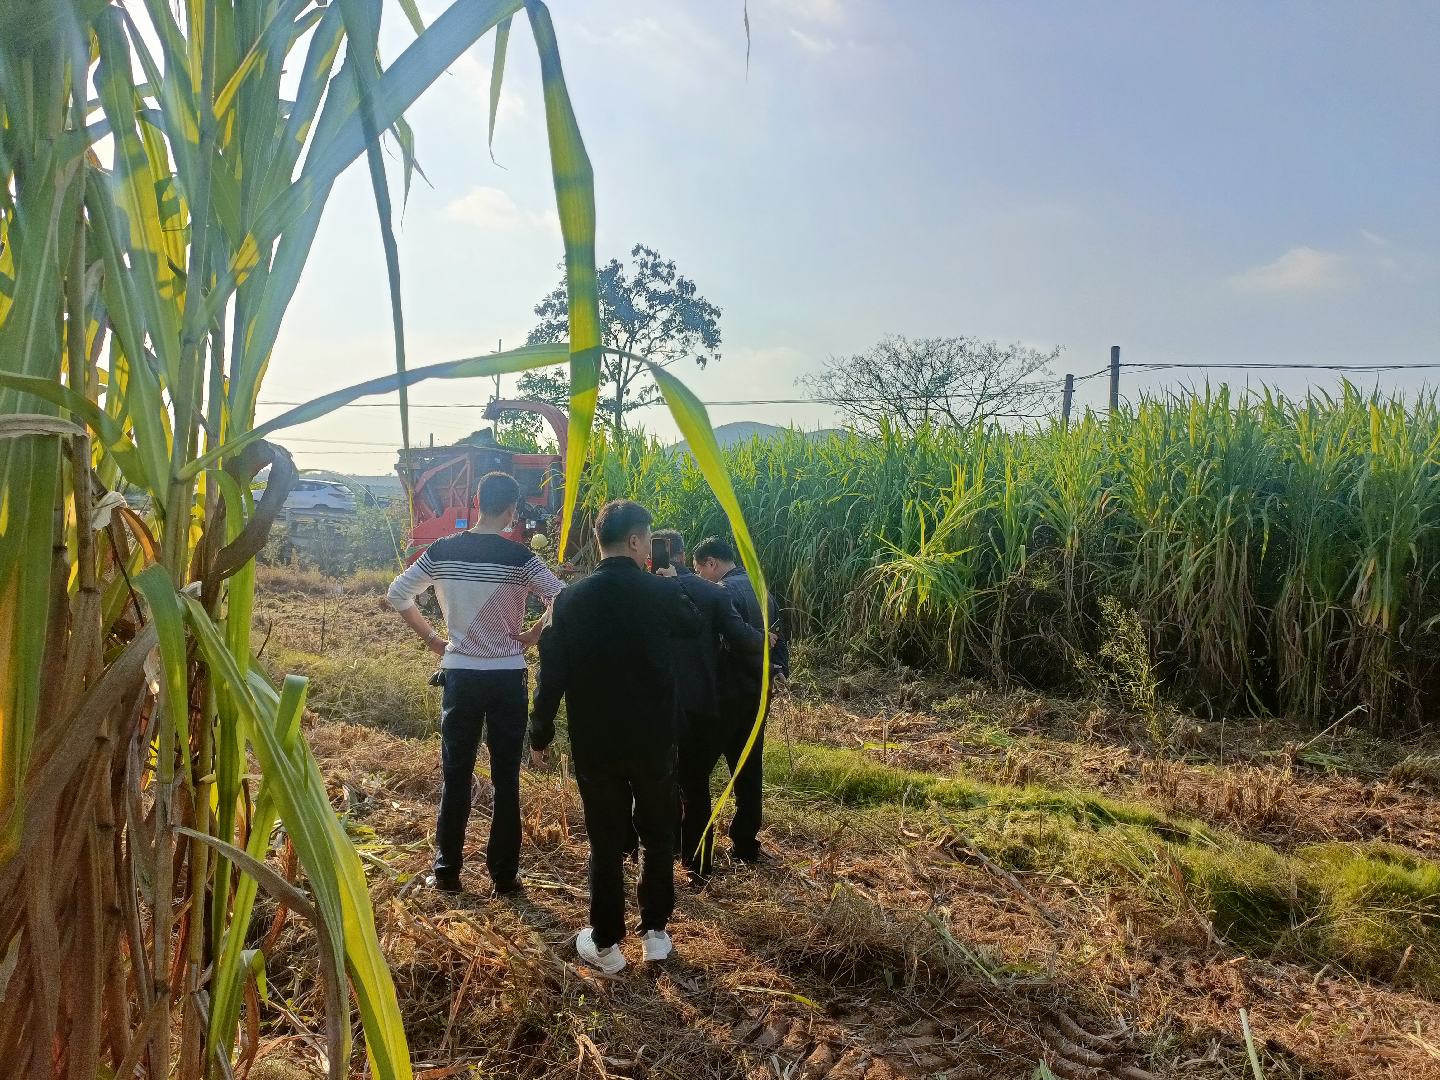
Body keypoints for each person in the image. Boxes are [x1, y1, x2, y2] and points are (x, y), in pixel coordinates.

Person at [530, 501, 702, 973]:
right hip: (653, 741)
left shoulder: (569, 600)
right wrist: (672, 583)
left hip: (596, 742)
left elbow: (553, 674)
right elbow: (694, 624)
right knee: (658, 833)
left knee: (605, 842)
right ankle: (656, 932)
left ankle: (606, 944)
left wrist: (539, 731)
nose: (651, 547)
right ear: (634, 541)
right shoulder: (660, 594)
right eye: (648, 539)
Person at [387, 471, 563, 896]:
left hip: (460, 675)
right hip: (507, 676)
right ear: (511, 510)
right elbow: (563, 597)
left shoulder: (442, 550)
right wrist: (535, 632)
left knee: (456, 774)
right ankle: (504, 877)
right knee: (506, 778)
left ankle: (446, 872)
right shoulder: (521, 558)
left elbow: (397, 594)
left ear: (478, 502)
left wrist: (431, 638)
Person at [651, 529, 766, 881]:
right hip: (701, 702)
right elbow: (743, 638)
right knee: (695, 781)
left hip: (655, 701)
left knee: (657, 777)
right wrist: (769, 645)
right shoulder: (712, 592)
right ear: (683, 555)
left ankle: (660, 847)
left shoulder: (642, 589)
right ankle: (698, 861)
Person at [692, 536, 790, 865]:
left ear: (711, 564)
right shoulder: (761, 589)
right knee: (748, 769)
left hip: (725, 695)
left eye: (699, 570)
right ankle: (745, 844)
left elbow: (720, 643)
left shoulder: (722, 592)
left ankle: (695, 849)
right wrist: (778, 673)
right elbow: (778, 640)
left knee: (696, 772)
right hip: (757, 694)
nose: (701, 577)